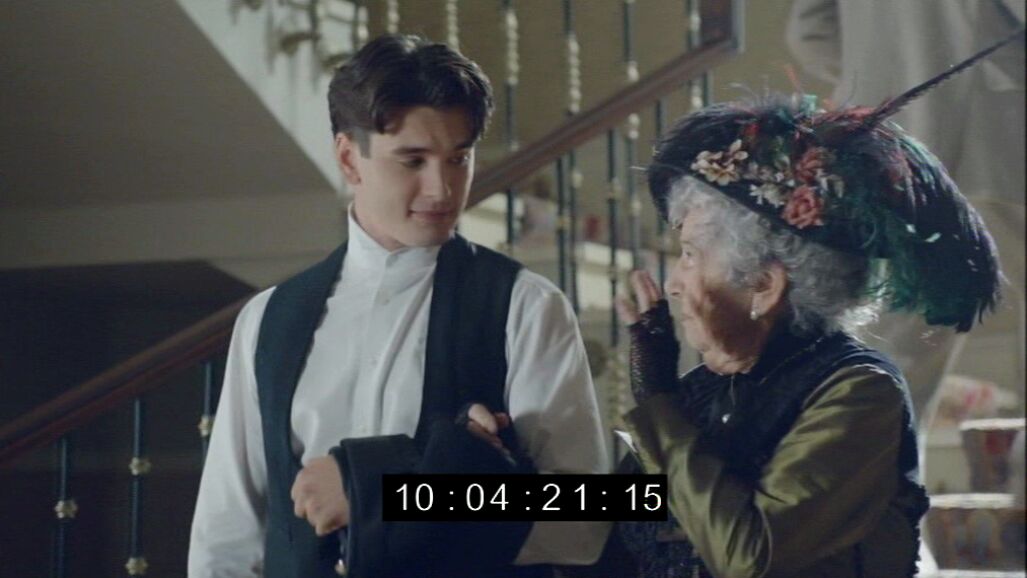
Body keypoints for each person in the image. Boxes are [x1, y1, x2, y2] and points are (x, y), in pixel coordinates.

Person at [188, 34, 610, 578]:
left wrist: (382, 495)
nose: (443, 189)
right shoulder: (267, 319)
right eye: (413, 161)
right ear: (349, 158)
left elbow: (589, 514)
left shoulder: (524, 305)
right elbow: (226, 539)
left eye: (458, 159)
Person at [609, 33, 1017, 576]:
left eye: (689, 255)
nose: (674, 283)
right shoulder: (710, 389)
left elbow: (750, 553)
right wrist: (504, 482)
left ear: (765, 286)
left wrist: (658, 405)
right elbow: (623, 515)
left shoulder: (856, 394)